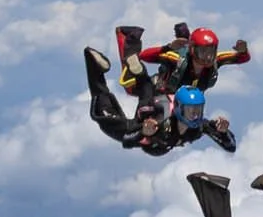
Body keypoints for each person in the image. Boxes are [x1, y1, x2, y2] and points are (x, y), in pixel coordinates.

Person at [85, 49, 235, 154]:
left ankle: (140, 74)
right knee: (105, 117)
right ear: (179, 109)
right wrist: (142, 132)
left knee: (149, 99)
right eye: (191, 110)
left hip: (160, 136)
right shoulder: (160, 120)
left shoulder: (200, 125)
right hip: (149, 121)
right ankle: (95, 63)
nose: (195, 115)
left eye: (198, 110)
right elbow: (127, 139)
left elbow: (230, 146)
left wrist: (223, 133)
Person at [126, 24, 251, 99]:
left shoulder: (216, 60)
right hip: (159, 95)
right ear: (192, 50)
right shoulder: (176, 59)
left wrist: (243, 51)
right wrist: (168, 47)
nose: (207, 57)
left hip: (187, 105)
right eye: (203, 52)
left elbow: (243, 58)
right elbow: (144, 56)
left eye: (211, 51)